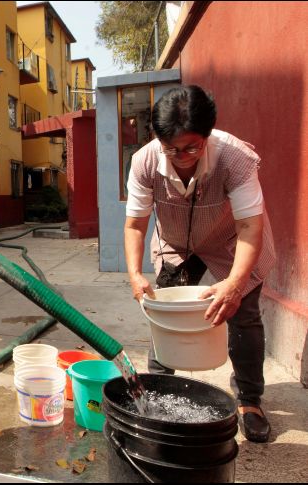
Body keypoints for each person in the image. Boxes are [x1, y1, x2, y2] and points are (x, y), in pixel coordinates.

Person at [124, 85, 276, 443]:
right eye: (171, 148)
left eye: (192, 147)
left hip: (231, 242)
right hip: (177, 242)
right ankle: (158, 392)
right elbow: (135, 223)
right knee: (164, 313)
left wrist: (235, 284)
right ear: (158, 139)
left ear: (207, 135)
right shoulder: (145, 161)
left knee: (243, 314)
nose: (181, 156)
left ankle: (250, 401)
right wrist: (134, 274)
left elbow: (250, 225)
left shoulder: (235, 158)